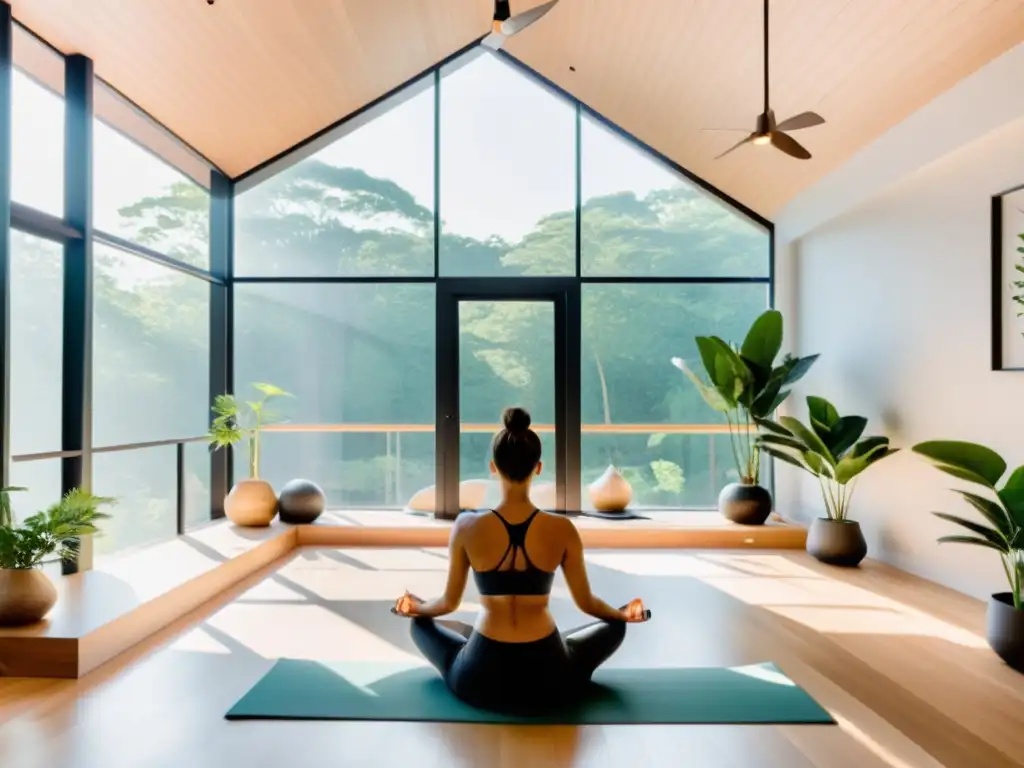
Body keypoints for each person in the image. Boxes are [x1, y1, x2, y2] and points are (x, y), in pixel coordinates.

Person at [393, 406, 650, 715]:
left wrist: (416, 608)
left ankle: (454, 631)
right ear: (538, 467)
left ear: (493, 466)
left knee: (420, 625)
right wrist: (621, 615)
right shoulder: (562, 529)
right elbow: (587, 603)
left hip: (478, 677)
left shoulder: (466, 527)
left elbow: (447, 602)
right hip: (551, 678)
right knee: (615, 627)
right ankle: (582, 638)